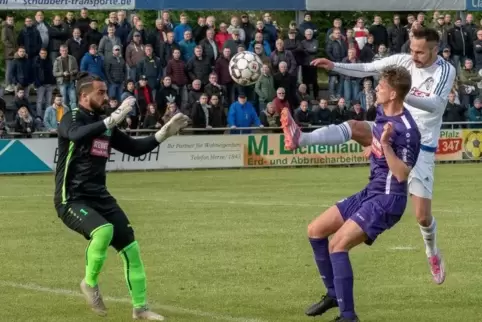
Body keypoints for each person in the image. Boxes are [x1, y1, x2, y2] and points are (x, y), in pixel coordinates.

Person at [282, 28, 454, 288]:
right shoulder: (405, 61)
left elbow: (436, 104)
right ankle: (301, 138)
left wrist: (402, 92)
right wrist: (335, 66)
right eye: (412, 49)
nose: (414, 56)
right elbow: (369, 67)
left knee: (422, 217)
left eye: (420, 51)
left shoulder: (445, 70)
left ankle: (432, 253)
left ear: (434, 50)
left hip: (420, 147)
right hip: (390, 132)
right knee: (354, 126)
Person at [54, 72, 190, 320]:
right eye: (101, 93)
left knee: (131, 248)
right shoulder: (71, 117)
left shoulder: (106, 123)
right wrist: (112, 119)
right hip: (71, 199)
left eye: (106, 92)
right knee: (103, 231)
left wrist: (163, 134)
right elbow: (75, 135)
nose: (106, 97)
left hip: (100, 196)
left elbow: (135, 149)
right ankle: (89, 283)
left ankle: (140, 308)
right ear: (84, 96)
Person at [297, 66, 420, 321]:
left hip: (388, 199)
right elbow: (368, 136)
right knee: (315, 230)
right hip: (370, 192)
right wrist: (375, 147)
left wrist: (384, 146)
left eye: (381, 86)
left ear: (394, 93)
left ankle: (348, 316)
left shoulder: (408, 129)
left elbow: (401, 174)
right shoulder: (382, 114)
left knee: (337, 245)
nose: (376, 89)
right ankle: (333, 294)